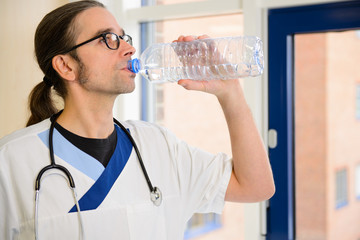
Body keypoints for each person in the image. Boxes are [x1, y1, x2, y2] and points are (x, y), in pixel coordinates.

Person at [0, 0, 275, 239]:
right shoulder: (12, 160)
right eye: (108, 38)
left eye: (124, 37)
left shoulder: (159, 145)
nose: (129, 49)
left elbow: (257, 187)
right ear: (66, 66)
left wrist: (230, 92)